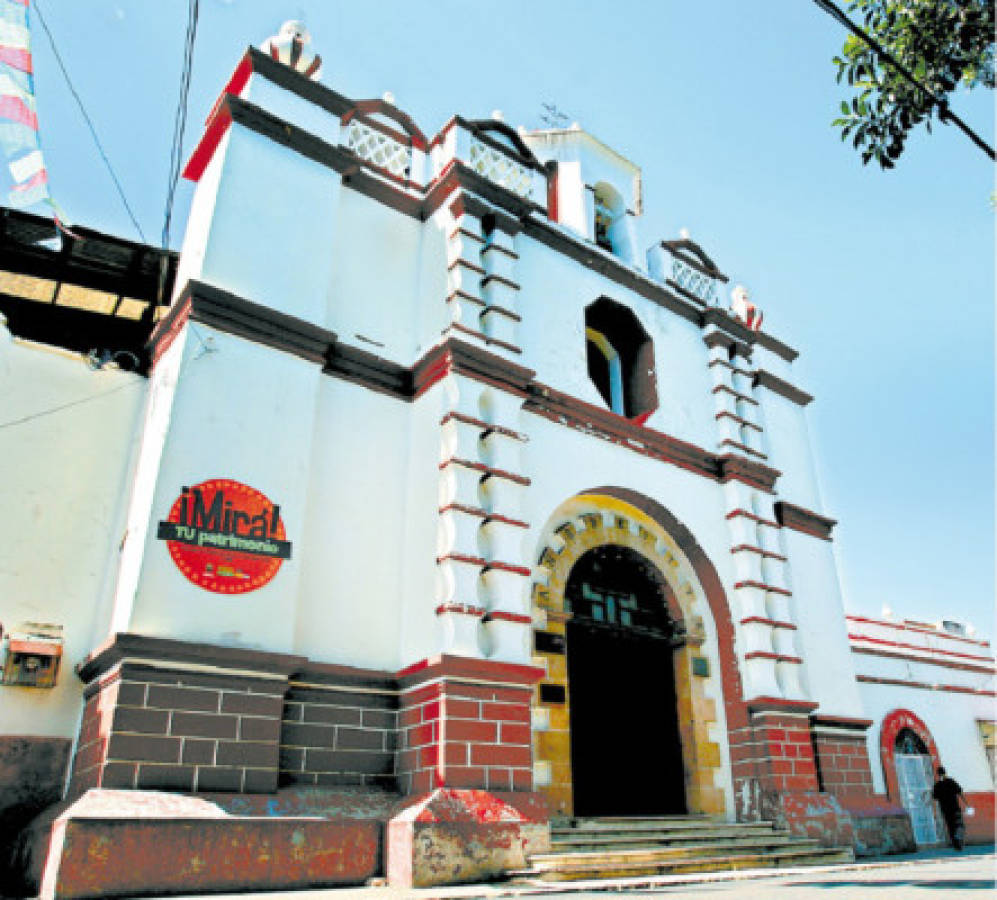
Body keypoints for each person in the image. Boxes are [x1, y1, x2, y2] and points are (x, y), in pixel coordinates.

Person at [932, 766, 968, 850]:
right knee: (959, 825)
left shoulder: (937, 785)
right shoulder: (951, 781)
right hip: (955, 808)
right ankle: (958, 838)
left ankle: (956, 845)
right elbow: (960, 792)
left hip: (945, 810)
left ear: (938, 774)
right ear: (945, 773)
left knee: (950, 826)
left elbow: (934, 798)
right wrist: (966, 803)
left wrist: (935, 812)